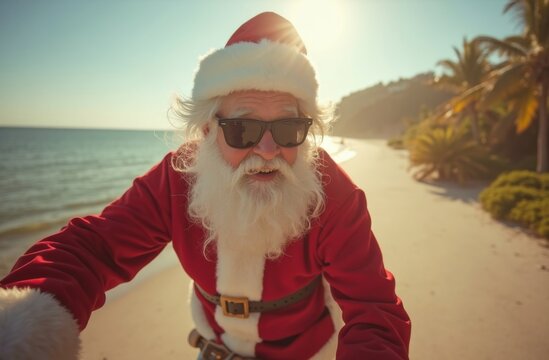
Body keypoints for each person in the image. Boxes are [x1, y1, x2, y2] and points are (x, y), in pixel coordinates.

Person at [0, 12, 411, 360]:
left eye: (289, 128)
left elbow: (374, 310)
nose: (268, 150)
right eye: (244, 128)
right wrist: (23, 323)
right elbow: (93, 249)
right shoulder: (176, 177)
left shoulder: (333, 193)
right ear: (207, 128)